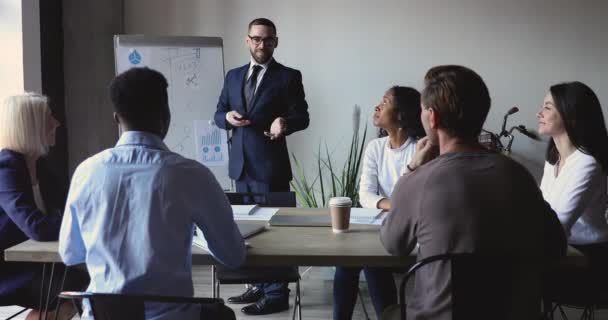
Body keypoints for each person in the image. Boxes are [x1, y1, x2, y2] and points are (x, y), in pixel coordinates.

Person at [380, 65, 567, 320]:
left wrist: (412, 168)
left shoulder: (418, 181)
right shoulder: (518, 175)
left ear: (432, 118)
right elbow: (555, 245)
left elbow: (394, 245)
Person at [58, 67, 246, 319]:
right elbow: (233, 256)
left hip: (102, 316)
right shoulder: (192, 174)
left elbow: (71, 254)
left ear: (116, 118)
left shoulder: (87, 171)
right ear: (165, 114)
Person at [214, 17, 309, 315]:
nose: (261, 44)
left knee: (273, 231)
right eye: (256, 39)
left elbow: (302, 116)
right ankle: (256, 284)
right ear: (247, 40)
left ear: (275, 42)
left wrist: (285, 122)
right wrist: (227, 119)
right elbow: (218, 113)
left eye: (267, 39)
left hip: (270, 167)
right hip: (240, 165)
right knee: (247, 229)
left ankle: (276, 293)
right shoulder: (233, 76)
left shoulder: (288, 77)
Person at [333, 86, 424, 319]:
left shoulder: (420, 149)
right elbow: (365, 196)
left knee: (371, 260)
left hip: (408, 235)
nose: (377, 106)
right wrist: (396, 205)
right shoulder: (375, 148)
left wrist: (393, 205)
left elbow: (417, 198)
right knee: (347, 260)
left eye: (384, 102)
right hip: (378, 228)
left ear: (402, 115)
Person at [0, 93, 85, 320]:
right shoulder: (6, 169)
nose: (57, 123)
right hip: (10, 271)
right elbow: (37, 228)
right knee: (76, 288)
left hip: (37, 265)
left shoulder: (40, 165)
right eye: (49, 117)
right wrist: (76, 222)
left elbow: (70, 208)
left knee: (86, 284)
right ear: (32, 125)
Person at [537, 81, 608, 290]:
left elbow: (558, 225)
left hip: (591, 257)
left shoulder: (587, 163)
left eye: (547, 107)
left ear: (572, 117)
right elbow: (543, 212)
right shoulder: (553, 159)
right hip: (564, 249)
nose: (539, 113)